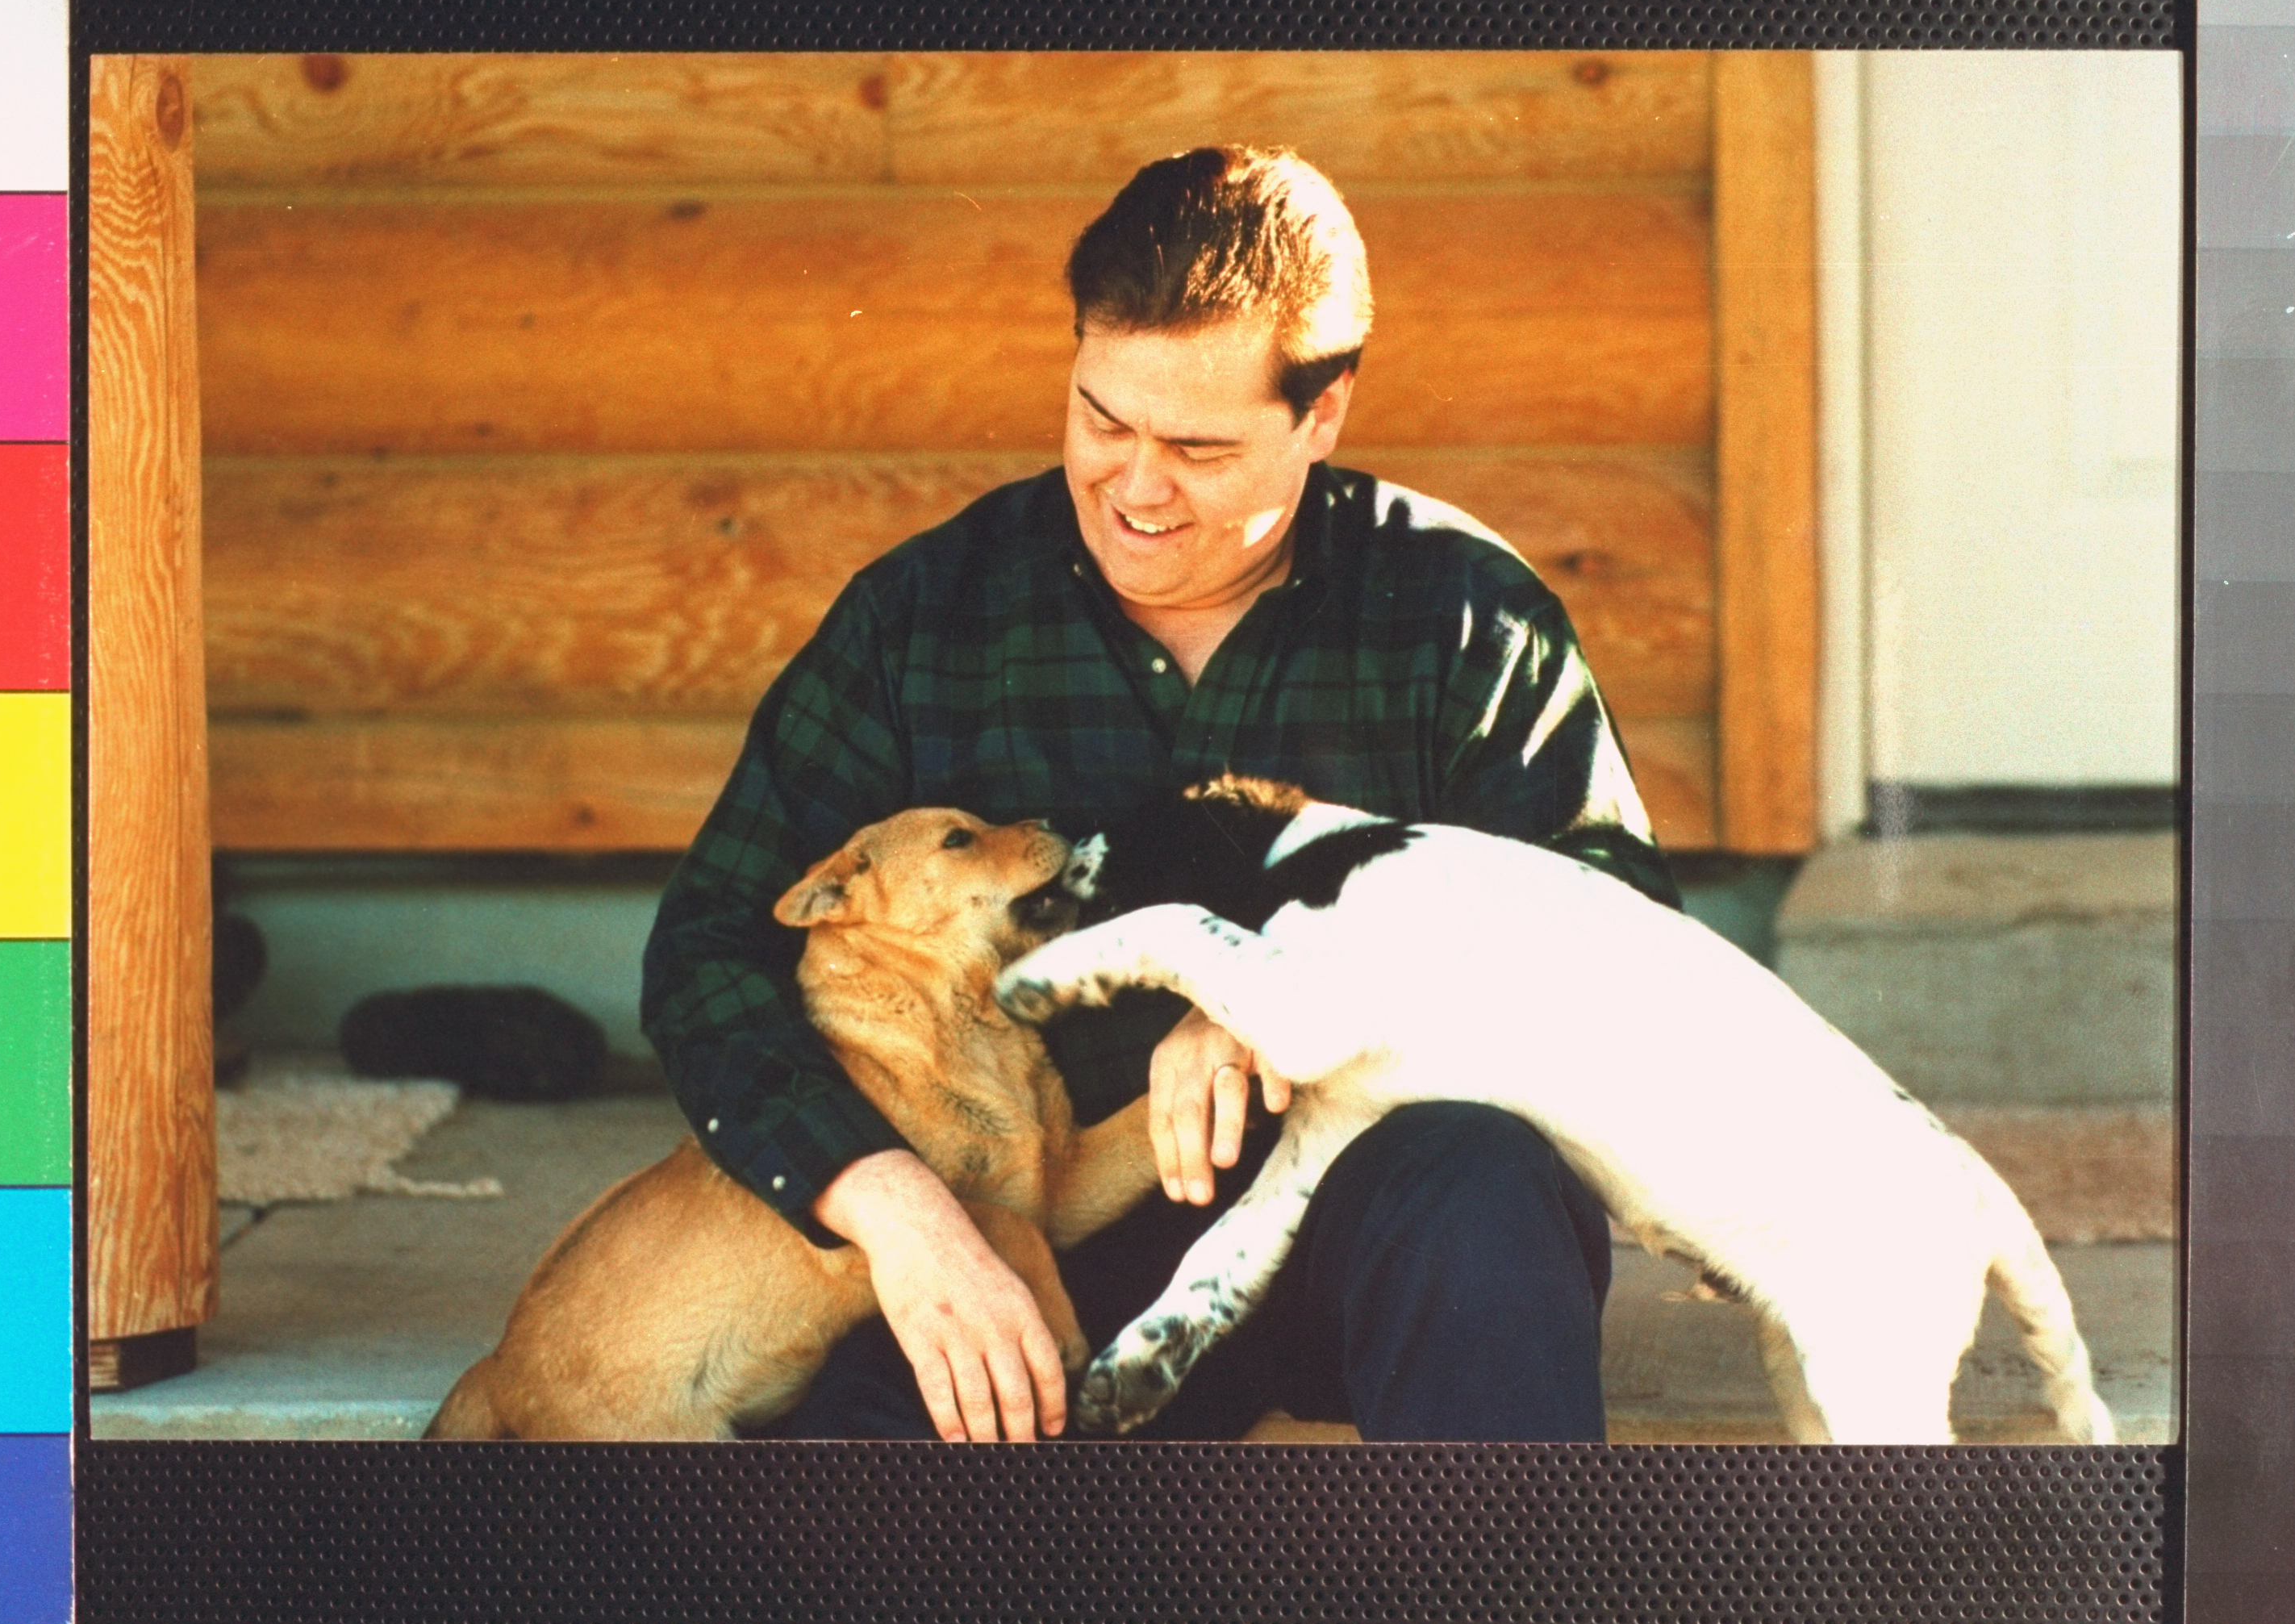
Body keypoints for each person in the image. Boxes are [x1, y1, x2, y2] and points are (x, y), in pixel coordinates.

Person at [641, 144, 1680, 1445]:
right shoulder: (925, 616)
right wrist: (891, 1204)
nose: (1135, 487)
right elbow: (709, 952)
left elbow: (1614, 928)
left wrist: (1289, 992)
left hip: (1388, 1205)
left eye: (1197, 446)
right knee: (851, 1489)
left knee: (1483, 1187)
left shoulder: (1464, 617)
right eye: (1102, 420)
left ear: (1323, 416)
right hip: (1055, 1245)